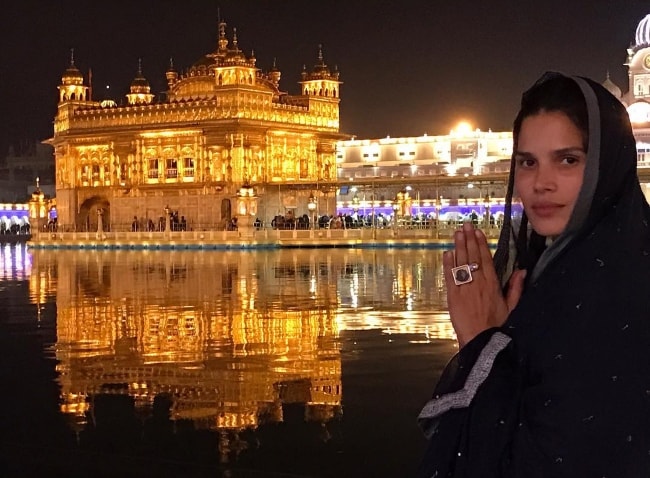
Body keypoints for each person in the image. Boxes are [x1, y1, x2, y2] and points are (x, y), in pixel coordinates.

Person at [416, 72, 650, 477]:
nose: (540, 183)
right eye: (527, 162)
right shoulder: (548, 273)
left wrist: (480, 344)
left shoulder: (617, 296)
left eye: (568, 160)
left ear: (608, 165)